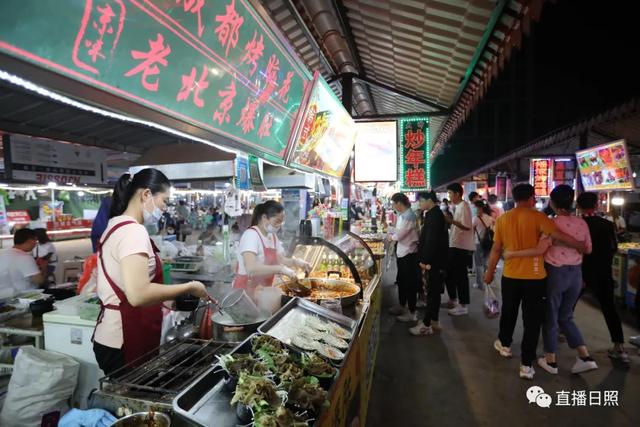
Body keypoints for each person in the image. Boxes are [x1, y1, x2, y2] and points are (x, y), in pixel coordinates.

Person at [93, 169, 209, 375]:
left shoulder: (116, 225)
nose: (164, 208)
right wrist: (190, 286)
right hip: (123, 338)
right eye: (164, 201)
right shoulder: (133, 231)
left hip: (115, 335)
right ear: (146, 194)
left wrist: (164, 300)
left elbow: (126, 284)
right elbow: (137, 295)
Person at [484, 184, 587, 380]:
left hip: (511, 277)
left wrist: (489, 272)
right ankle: (526, 365)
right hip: (536, 278)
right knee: (532, 322)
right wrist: (579, 245)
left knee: (509, 312)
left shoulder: (503, 219)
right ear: (531, 198)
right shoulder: (540, 218)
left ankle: (504, 345)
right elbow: (560, 236)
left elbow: (496, 249)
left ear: (514, 198)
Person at [578, 192, 629, 363]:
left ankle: (557, 337)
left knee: (566, 307)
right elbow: (613, 247)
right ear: (596, 205)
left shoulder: (578, 223)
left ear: (578, 206)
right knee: (609, 308)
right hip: (603, 272)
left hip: (581, 272)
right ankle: (619, 347)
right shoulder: (607, 225)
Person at [233, 200, 310, 296]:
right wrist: (280, 269)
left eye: (281, 222)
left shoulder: (272, 236)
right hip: (245, 293)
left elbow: (281, 259)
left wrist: (297, 262)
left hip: (262, 292)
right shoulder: (251, 235)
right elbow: (251, 269)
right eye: (277, 221)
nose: (279, 226)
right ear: (264, 217)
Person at [410, 191, 449, 336]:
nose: (419, 204)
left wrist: (424, 261)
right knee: (435, 292)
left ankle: (426, 325)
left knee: (432, 293)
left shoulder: (434, 216)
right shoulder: (435, 214)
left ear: (428, 200)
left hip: (434, 262)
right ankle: (434, 320)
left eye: (421, 201)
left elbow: (431, 241)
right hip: (438, 260)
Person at [387, 193, 420, 322]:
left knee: (409, 283)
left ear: (399, 203)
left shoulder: (408, 216)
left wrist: (391, 236)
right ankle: (402, 305)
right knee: (402, 281)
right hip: (403, 252)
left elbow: (400, 235)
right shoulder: (404, 215)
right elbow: (399, 231)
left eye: (394, 204)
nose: (393, 206)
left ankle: (411, 312)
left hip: (408, 253)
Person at [443, 183, 475, 315]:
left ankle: (463, 305)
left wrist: (451, 221)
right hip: (455, 244)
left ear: (457, 193)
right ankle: (454, 299)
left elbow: (467, 226)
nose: (449, 197)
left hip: (461, 246)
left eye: (450, 194)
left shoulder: (464, 206)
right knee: (450, 273)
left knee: (461, 276)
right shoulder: (459, 206)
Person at [0, 228, 46, 296]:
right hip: (24, 296)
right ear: (29, 241)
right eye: (35, 240)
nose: (36, 243)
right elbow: (39, 280)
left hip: (3, 296)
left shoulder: (2, 253)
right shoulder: (25, 257)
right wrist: (44, 267)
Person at [472, 200, 494, 290]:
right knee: (486, 262)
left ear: (479, 208)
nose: (474, 209)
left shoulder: (475, 218)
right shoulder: (489, 217)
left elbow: (472, 232)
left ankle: (479, 284)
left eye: (475, 207)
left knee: (478, 265)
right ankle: (487, 281)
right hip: (488, 243)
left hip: (478, 243)